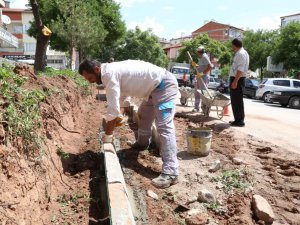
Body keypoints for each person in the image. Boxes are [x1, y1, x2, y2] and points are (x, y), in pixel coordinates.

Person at [78, 59, 179, 189]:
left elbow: (112, 108)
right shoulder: (110, 71)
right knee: (143, 116)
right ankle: (142, 144)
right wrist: (120, 112)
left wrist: (108, 135)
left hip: (163, 85)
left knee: (164, 127)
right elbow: (121, 95)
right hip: (152, 90)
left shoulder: (108, 74)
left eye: (90, 77)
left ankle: (171, 172)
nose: (90, 81)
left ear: (97, 69)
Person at [229, 38, 249, 127]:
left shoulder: (241, 54)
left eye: (232, 45)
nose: (231, 47)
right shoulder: (241, 53)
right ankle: (237, 119)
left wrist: (235, 81)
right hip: (237, 78)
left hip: (238, 79)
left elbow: (240, 69)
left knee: (237, 100)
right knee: (235, 100)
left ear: (234, 45)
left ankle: (240, 121)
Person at [193, 46, 213, 112]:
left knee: (203, 93)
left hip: (203, 77)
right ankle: (196, 108)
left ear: (199, 52)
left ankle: (204, 108)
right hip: (199, 77)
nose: (197, 54)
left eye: (197, 53)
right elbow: (202, 66)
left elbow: (210, 67)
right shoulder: (201, 57)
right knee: (197, 92)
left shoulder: (204, 57)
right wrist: (195, 65)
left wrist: (202, 74)